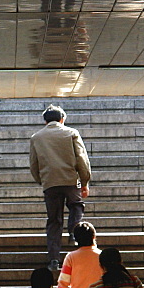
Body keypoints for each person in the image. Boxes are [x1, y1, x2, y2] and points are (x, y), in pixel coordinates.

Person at [29, 105, 92, 270]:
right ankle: (74, 232)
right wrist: (84, 182)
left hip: (50, 183)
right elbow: (82, 159)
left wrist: (42, 180)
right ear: (62, 119)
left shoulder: (36, 137)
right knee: (76, 206)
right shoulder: (71, 133)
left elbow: (33, 165)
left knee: (54, 221)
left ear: (45, 121)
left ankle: (54, 260)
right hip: (70, 180)